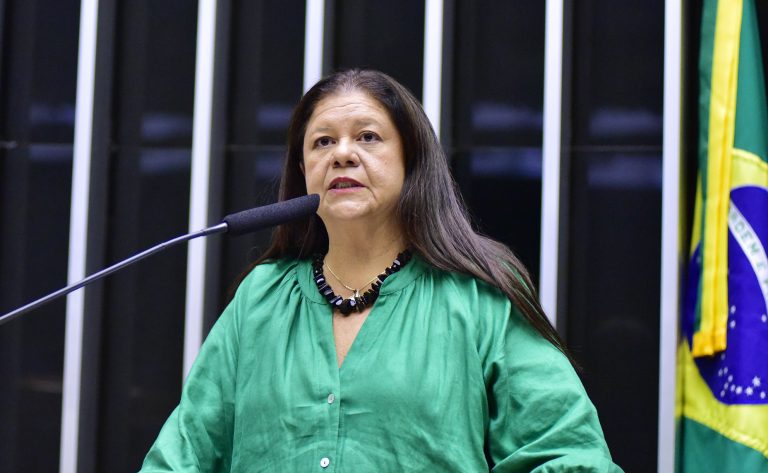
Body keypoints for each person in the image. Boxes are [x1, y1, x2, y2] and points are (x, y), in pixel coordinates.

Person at [139, 69, 622, 472]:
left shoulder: (479, 292)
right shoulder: (261, 298)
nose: (342, 154)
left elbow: (569, 454)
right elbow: (181, 457)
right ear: (303, 171)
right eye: (322, 142)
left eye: (368, 137)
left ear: (412, 161)